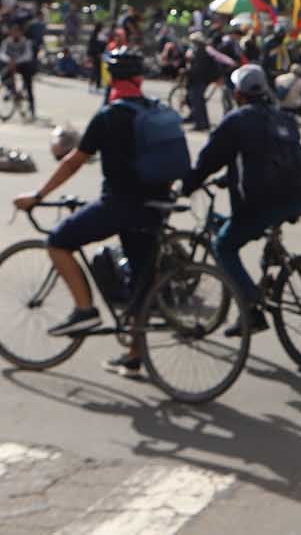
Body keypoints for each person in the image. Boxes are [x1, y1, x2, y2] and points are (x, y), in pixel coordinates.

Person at [11, 48, 184, 378]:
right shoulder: (156, 110)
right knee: (141, 279)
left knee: (58, 240)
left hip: (119, 205)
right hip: (155, 207)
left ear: (110, 79)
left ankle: (84, 310)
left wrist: (38, 196)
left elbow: (74, 162)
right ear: (139, 79)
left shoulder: (110, 116)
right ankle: (134, 356)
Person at [183, 64, 301, 335]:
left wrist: (188, 185)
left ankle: (251, 308)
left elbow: (209, 160)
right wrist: (230, 178)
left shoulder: (236, 121)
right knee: (256, 228)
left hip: (265, 201)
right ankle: (270, 271)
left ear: (238, 94)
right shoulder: (282, 117)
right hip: (300, 195)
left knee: (224, 245)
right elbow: (264, 157)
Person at [0, 21, 37, 116]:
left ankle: (32, 109)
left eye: (17, 31)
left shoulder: (26, 42)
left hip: (23, 64)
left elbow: (28, 55)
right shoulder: (7, 41)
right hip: (11, 64)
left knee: (28, 84)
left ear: (21, 32)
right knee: (3, 76)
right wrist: (8, 60)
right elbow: (1, 53)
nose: (15, 33)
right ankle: (11, 91)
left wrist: (17, 61)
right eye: (13, 31)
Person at [184, 31, 218, 131]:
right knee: (200, 102)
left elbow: (198, 68)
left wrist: (188, 72)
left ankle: (199, 124)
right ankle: (204, 123)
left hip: (199, 80)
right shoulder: (201, 50)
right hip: (200, 80)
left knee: (197, 103)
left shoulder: (201, 52)